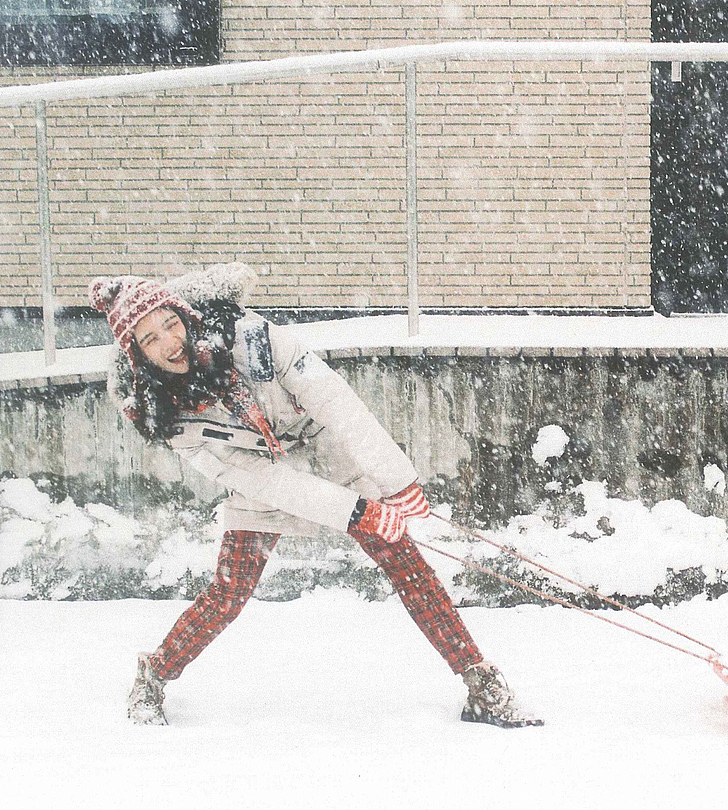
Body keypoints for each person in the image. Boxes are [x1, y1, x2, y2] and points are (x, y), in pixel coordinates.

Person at [89, 262, 541, 729]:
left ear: (185, 316)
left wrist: (396, 482)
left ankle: (477, 678)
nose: (170, 341)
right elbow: (262, 479)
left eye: (171, 323)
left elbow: (334, 400)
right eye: (150, 339)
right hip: (260, 481)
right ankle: (154, 672)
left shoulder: (253, 339)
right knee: (228, 595)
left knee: (409, 567)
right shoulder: (165, 418)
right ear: (138, 355)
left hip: (324, 449)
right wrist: (356, 513)